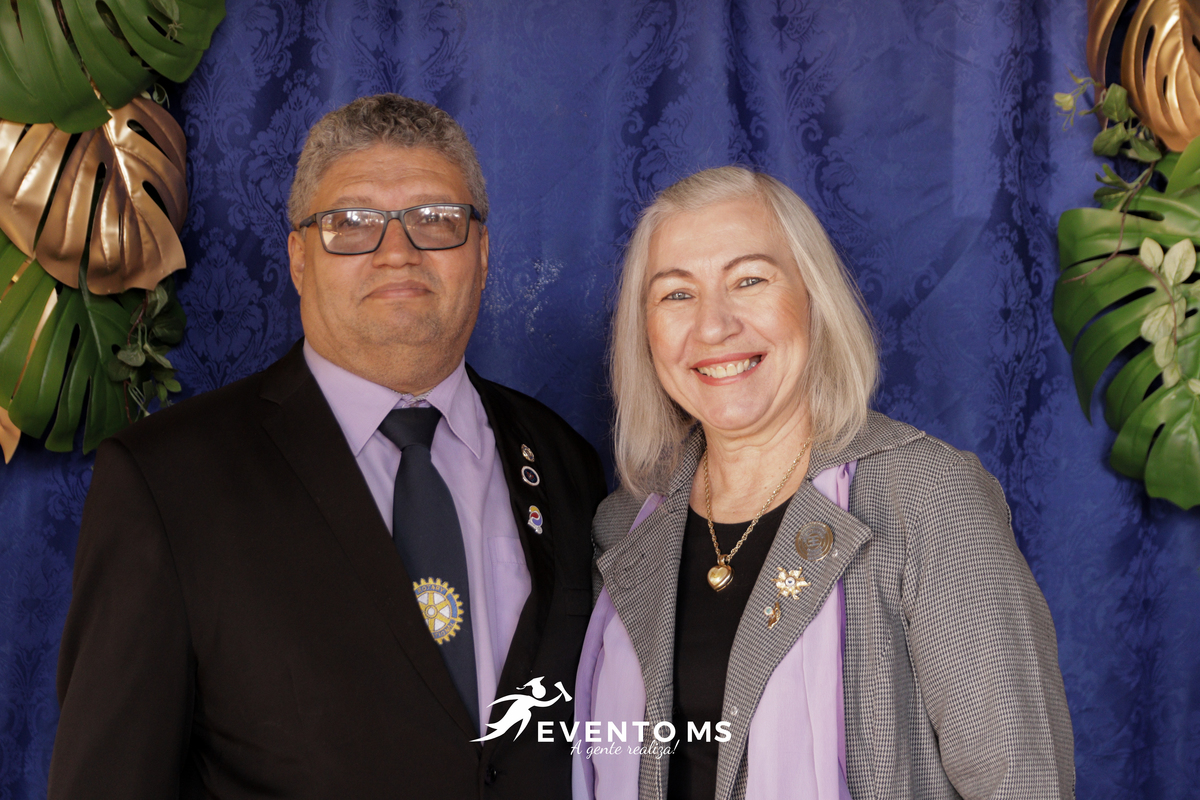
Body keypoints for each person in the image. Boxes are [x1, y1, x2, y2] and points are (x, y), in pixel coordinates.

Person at [49, 94, 607, 799]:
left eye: (436, 219)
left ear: (483, 252)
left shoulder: (564, 459)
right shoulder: (167, 482)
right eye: (351, 223)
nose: (397, 252)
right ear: (299, 258)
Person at [573, 166, 1074, 800]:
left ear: (813, 297)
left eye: (749, 280)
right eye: (676, 294)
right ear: (643, 331)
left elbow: (1023, 785)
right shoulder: (625, 526)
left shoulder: (928, 499)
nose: (713, 326)